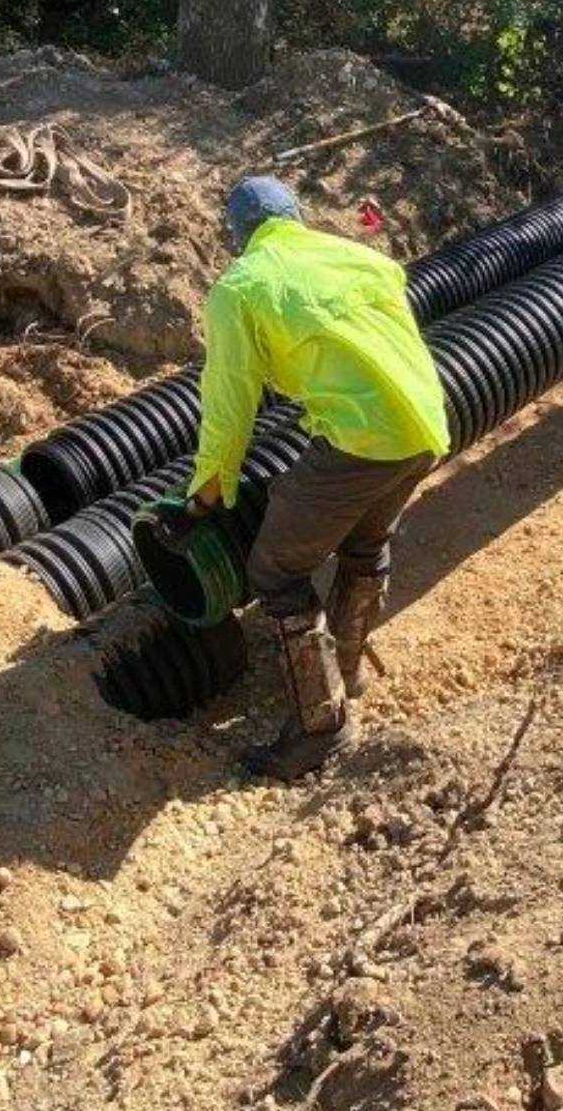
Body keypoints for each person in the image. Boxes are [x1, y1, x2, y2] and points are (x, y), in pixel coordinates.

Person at [158, 176, 451, 779]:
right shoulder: (359, 255)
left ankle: (322, 728)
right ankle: (345, 672)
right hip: (424, 424)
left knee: (275, 569)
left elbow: (229, 403)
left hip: (360, 441)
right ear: (296, 214)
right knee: (366, 542)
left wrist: (204, 496)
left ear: (236, 236)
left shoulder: (240, 287)